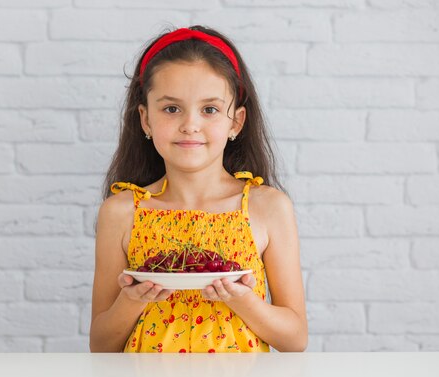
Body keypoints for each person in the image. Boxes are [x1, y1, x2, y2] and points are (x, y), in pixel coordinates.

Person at [89, 25, 307, 353]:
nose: (190, 124)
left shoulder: (267, 207)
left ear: (236, 121)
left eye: (210, 109)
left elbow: (295, 339)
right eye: (171, 108)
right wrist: (131, 300)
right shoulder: (121, 211)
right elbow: (101, 345)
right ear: (145, 120)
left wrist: (244, 301)